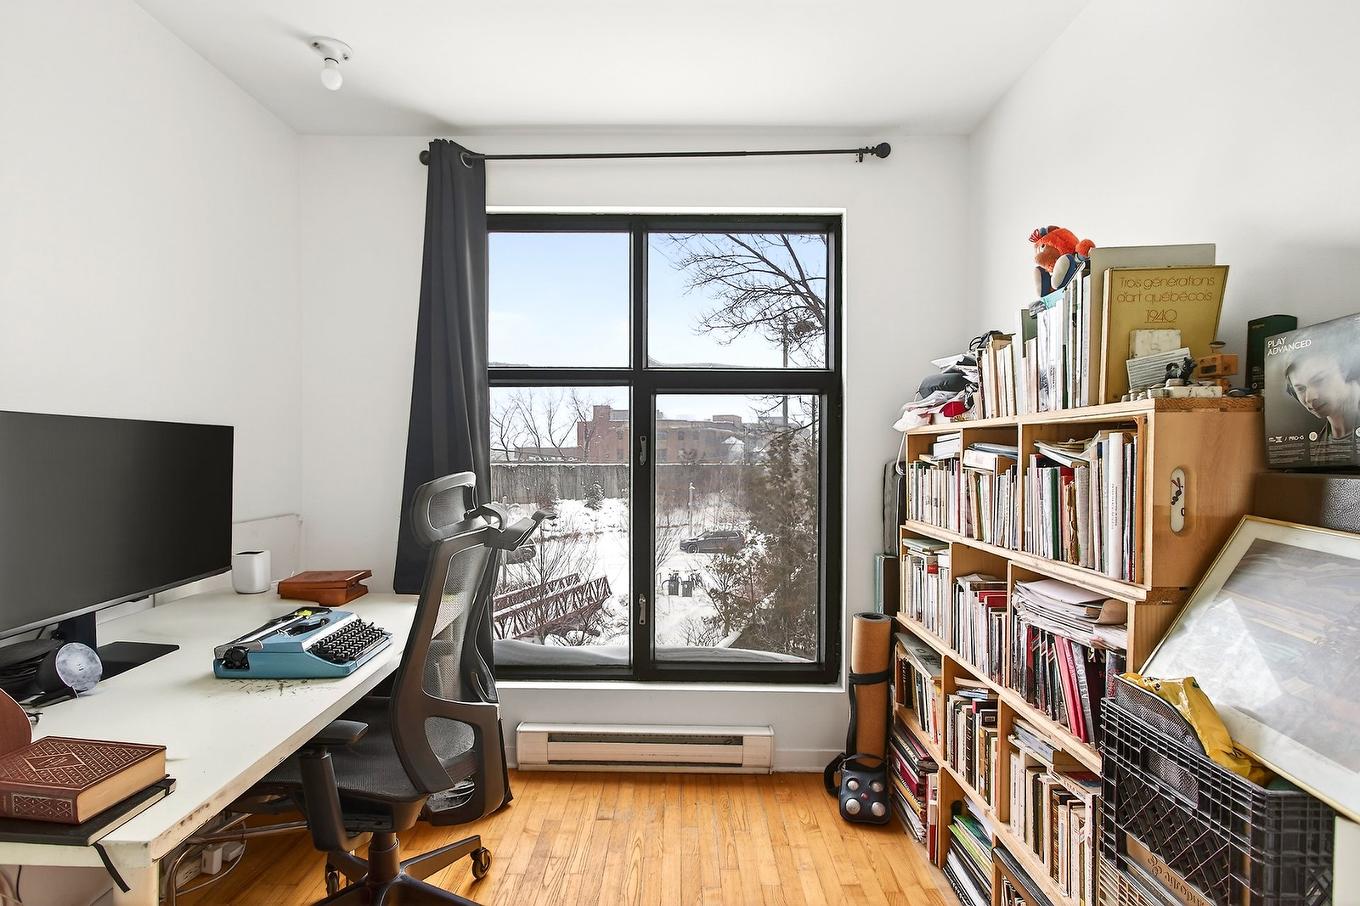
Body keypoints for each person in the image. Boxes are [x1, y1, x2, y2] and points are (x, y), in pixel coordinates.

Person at [1283, 337, 1360, 440]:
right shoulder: (1318, 440)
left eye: (1318, 381)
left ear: (1344, 369)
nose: (1309, 398)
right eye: (1301, 389)